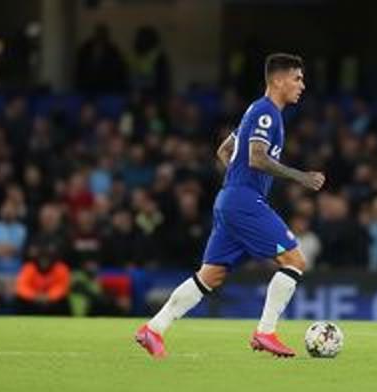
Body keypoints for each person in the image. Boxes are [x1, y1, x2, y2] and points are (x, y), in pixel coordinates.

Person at [135, 53, 324, 358]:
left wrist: (237, 182)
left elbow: (225, 150)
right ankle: (265, 332)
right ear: (278, 80)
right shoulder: (266, 113)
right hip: (244, 201)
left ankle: (153, 329)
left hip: (231, 198)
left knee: (210, 276)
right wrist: (300, 176)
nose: (302, 85)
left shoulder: (255, 110)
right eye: (297, 78)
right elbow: (256, 157)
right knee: (295, 260)